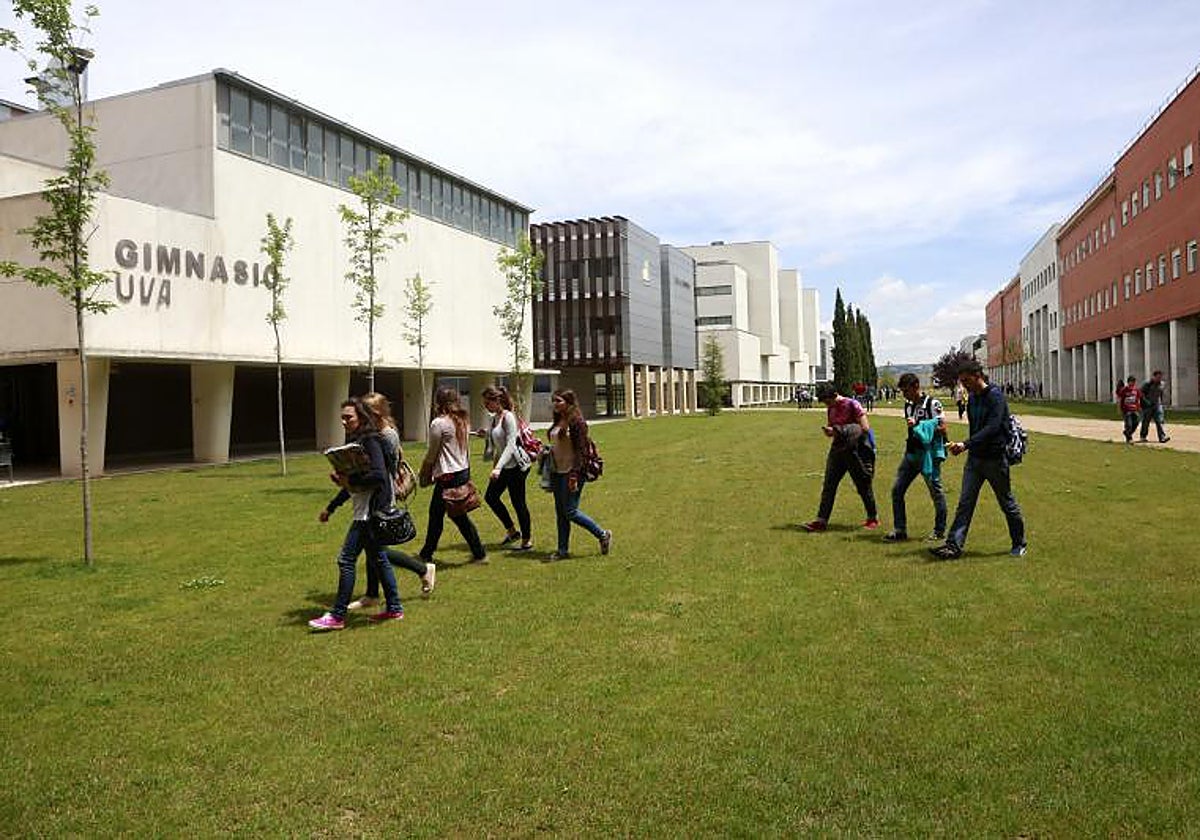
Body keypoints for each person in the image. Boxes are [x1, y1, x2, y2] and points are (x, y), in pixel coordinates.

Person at [309, 397, 405, 631]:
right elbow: (354, 482)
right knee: (379, 559)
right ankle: (394, 609)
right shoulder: (360, 440)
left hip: (370, 513)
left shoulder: (371, 441)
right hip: (364, 508)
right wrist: (332, 506)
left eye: (348, 417)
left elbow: (380, 476)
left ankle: (337, 616)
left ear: (361, 417)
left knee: (346, 560)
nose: (344, 421)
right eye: (342, 417)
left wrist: (350, 479)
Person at [931, 360, 1026, 560]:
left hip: (995, 459)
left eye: (967, 380)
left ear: (977, 376)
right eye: (962, 381)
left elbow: (992, 428)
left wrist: (965, 444)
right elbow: (975, 429)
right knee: (965, 503)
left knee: (1006, 502)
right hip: (975, 460)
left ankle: (1019, 543)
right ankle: (953, 545)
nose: (964, 385)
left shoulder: (995, 396)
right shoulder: (972, 399)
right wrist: (965, 447)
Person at [348, 392, 436, 605]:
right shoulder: (372, 434)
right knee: (372, 547)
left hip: (382, 497)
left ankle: (422, 569)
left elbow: (386, 469)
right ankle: (372, 594)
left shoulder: (386, 435)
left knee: (376, 548)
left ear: (376, 413)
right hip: (372, 495)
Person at [417, 386, 487, 566]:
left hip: (448, 475)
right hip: (462, 471)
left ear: (437, 403)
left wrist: (424, 472)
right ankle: (427, 552)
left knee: (450, 516)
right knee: (448, 514)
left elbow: (432, 453)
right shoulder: (463, 420)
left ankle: (428, 554)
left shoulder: (438, 423)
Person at [801, 383, 878, 532]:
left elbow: (864, 428)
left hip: (855, 451)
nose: (826, 405)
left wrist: (839, 430)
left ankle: (872, 518)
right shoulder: (831, 408)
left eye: (827, 401)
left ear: (834, 394)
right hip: (837, 451)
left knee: (863, 485)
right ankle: (821, 520)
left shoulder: (852, 404)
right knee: (829, 485)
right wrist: (831, 432)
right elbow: (834, 428)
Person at [547, 389, 611, 561]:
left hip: (572, 472)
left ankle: (602, 534)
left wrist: (575, 475)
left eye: (558, 401)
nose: (555, 404)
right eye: (554, 401)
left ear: (569, 402)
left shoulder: (577, 422)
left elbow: (581, 452)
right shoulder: (558, 420)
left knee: (570, 511)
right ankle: (562, 550)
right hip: (557, 472)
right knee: (561, 513)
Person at [882, 373, 947, 542]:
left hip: (929, 455)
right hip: (911, 454)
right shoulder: (908, 406)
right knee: (897, 490)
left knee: (936, 492)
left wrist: (921, 425)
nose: (904, 395)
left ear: (916, 386)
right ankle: (900, 530)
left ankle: (939, 531)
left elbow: (942, 428)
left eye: (906, 391)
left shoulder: (933, 404)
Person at [478, 385, 534, 551]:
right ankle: (511, 531)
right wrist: (486, 434)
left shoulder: (508, 417)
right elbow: (497, 436)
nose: (485, 406)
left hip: (515, 467)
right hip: (504, 467)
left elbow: (510, 445)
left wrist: (497, 468)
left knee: (518, 503)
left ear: (497, 401)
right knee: (491, 497)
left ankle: (526, 539)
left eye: (487, 402)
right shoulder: (495, 418)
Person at [1139, 370, 1170, 443]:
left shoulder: (1162, 384)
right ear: (1154, 376)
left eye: (1160, 377)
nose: (1159, 379)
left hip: (1157, 405)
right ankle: (1143, 436)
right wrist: (1146, 402)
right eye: (1158, 377)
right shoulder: (1147, 384)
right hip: (1148, 406)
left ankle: (1162, 437)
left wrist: (1161, 403)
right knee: (1146, 422)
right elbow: (1141, 394)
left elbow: (1160, 394)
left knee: (1160, 421)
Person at [1116, 376, 1141, 444]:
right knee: (1129, 424)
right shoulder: (1124, 390)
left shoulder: (1136, 390)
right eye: (1131, 382)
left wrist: (1139, 408)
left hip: (1134, 409)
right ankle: (1129, 438)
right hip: (1126, 410)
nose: (1132, 384)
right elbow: (1120, 399)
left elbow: (1138, 399)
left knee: (1136, 422)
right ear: (1128, 382)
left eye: (1134, 382)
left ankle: (1127, 433)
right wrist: (1119, 409)